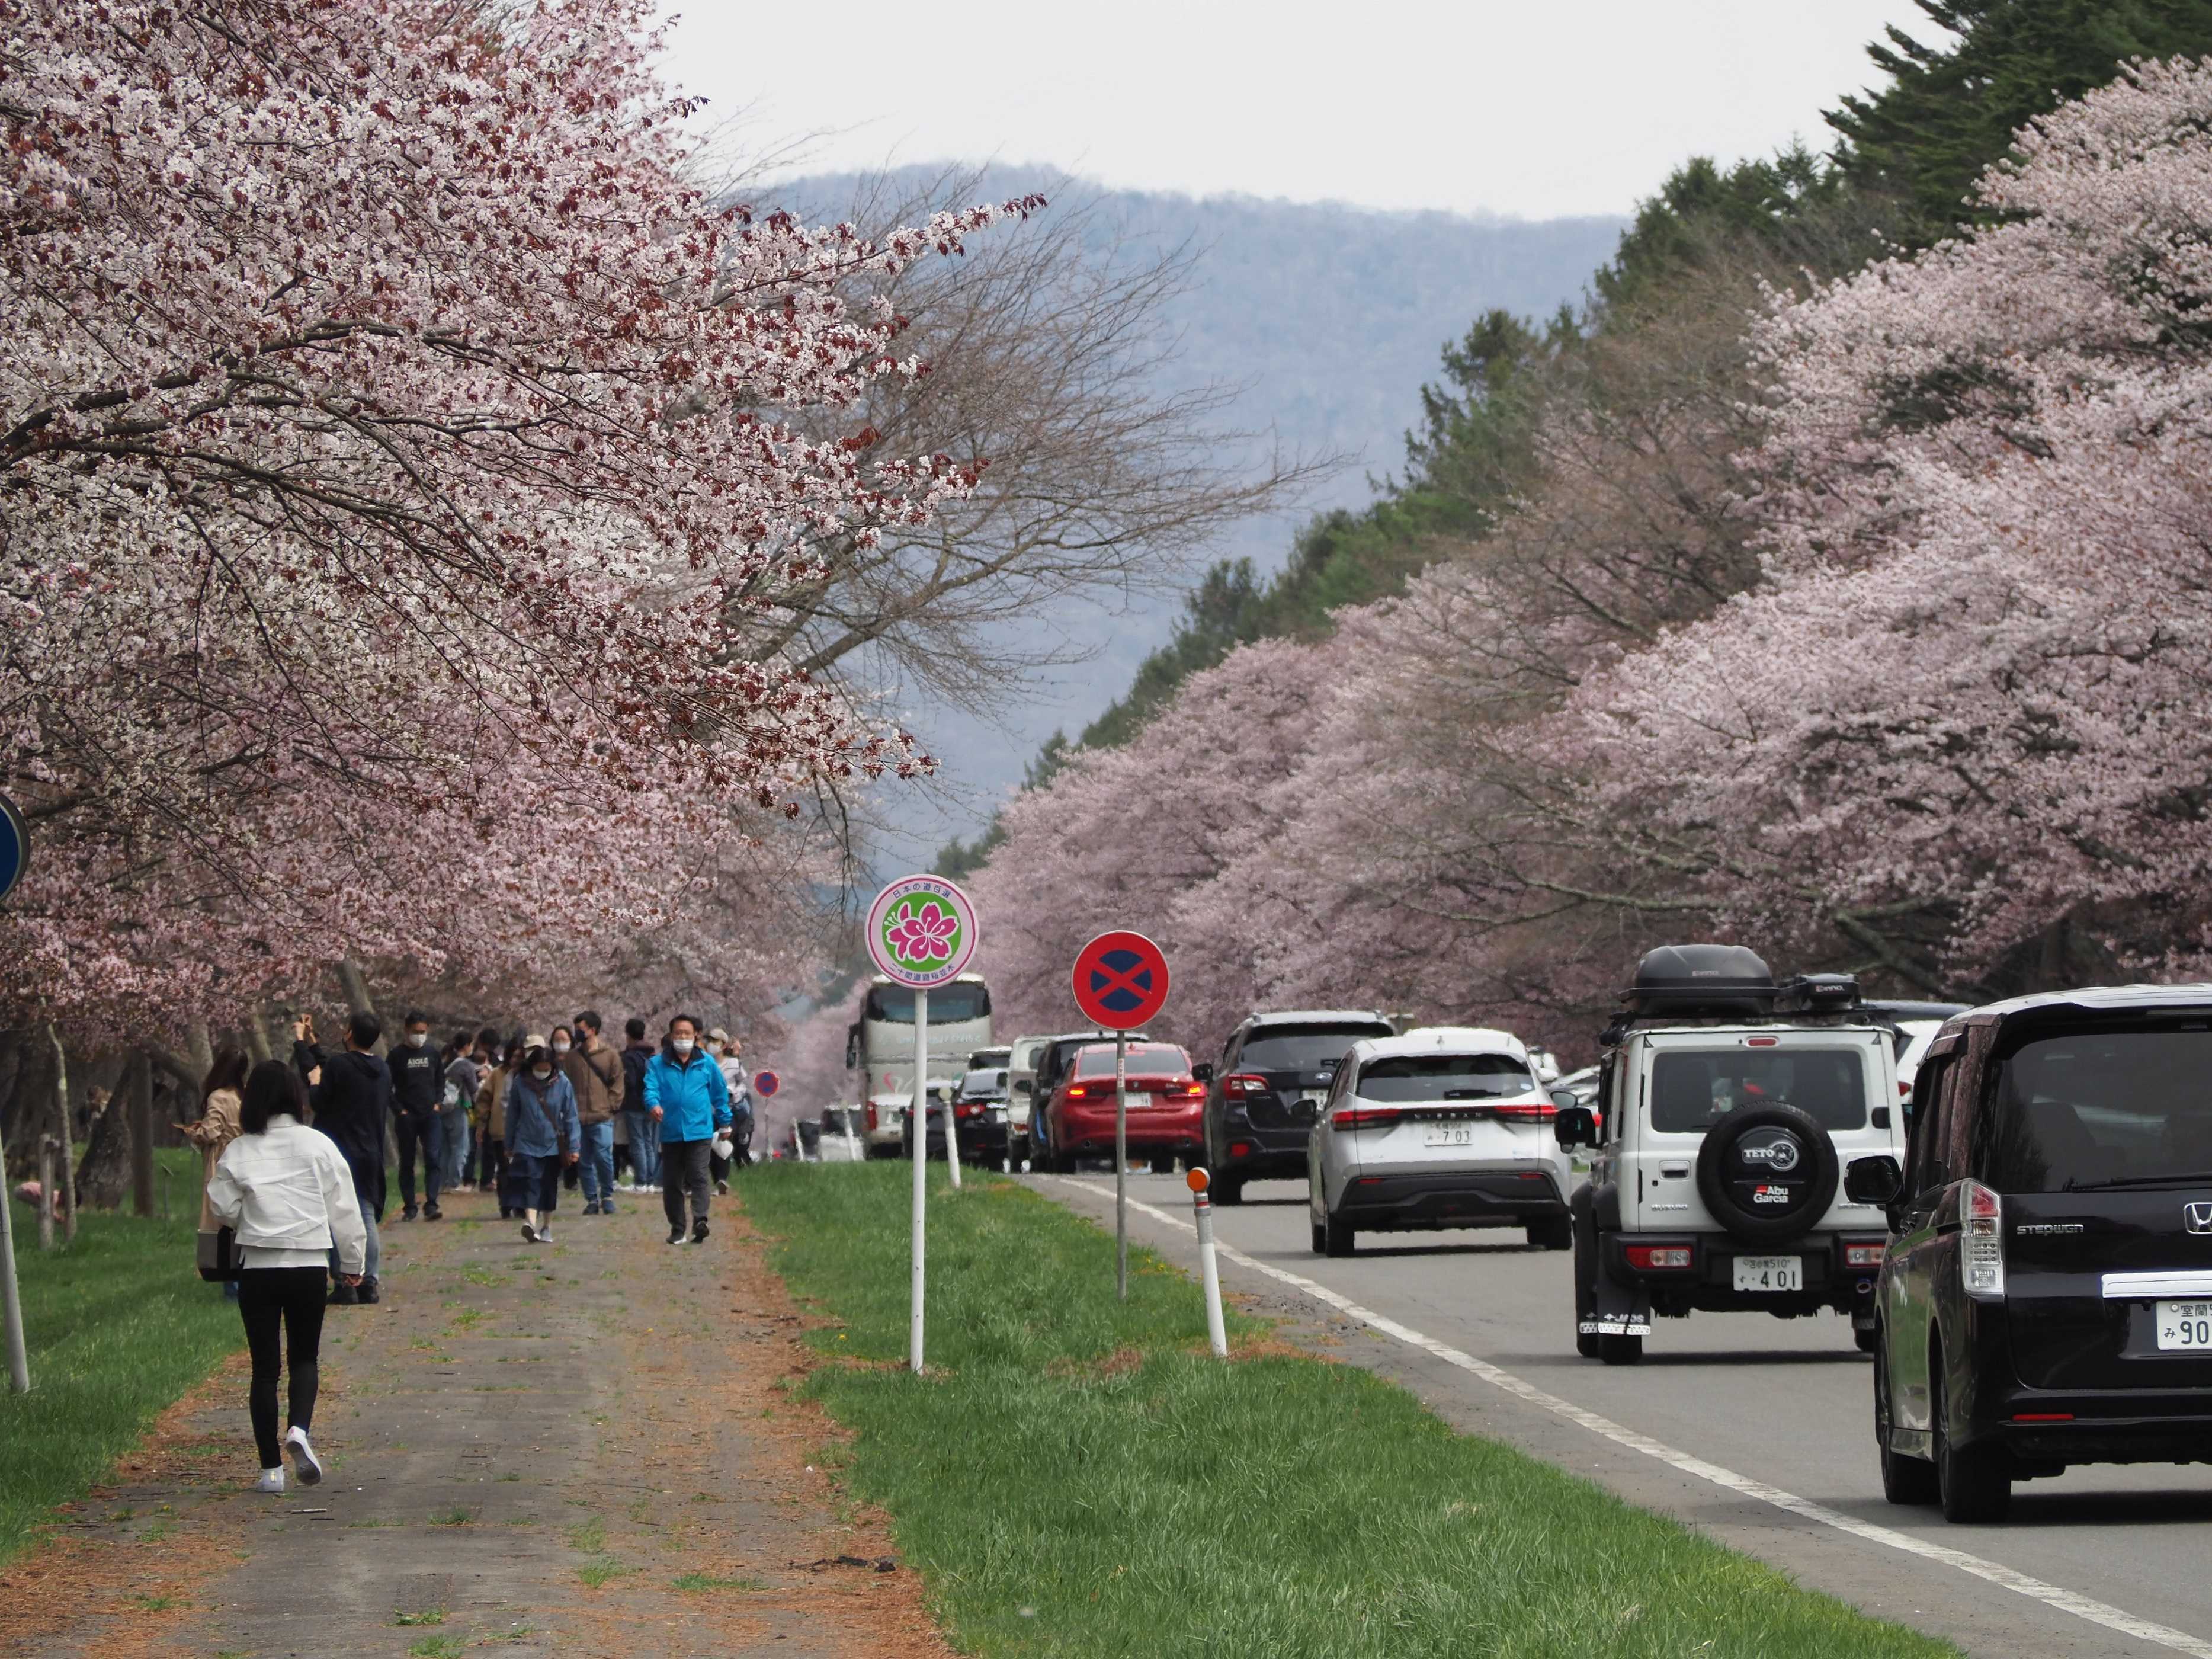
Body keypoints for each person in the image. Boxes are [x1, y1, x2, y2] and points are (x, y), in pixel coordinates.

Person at [206, 1059, 367, 1494]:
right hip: (310, 1264)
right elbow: (346, 1210)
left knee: (264, 1370)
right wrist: (352, 1264)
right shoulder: (319, 1145)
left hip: (259, 1267)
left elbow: (220, 1205)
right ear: (296, 1097)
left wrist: (248, 1220)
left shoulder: (240, 1149)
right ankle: (299, 1429)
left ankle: (270, 1472)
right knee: (304, 1358)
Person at [293, 1010, 389, 1304]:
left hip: (339, 1152)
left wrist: (302, 1050)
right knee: (366, 1216)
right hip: (370, 1151)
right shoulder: (383, 1070)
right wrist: (311, 1047)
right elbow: (334, 1069)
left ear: (349, 1034)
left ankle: (345, 1282)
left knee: (338, 1217)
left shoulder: (340, 1066)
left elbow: (321, 1098)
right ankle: (368, 1282)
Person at [644, 1014, 730, 1246]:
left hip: (699, 1130)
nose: (682, 1037)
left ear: (696, 1036)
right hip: (671, 1131)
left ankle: (700, 1221)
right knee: (672, 1182)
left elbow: (720, 1094)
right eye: (678, 1033)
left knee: (699, 1176)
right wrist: (653, 1105)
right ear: (671, 1036)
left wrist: (725, 1122)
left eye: (686, 1033)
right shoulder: (657, 1064)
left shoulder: (707, 1063)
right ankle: (678, 1229)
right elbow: (650, 1089)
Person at [181, 1045, 251, 1303]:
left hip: (222, 1160)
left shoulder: (218, 1096)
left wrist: (192, 1132)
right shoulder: (243, 1095)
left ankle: (230, 1284)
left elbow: (211, 1132)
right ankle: (244, 1277)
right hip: (245, 1157)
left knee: (220, 1220)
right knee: (240, 1221)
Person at [504, 1033, 579, 1244]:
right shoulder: (521, 1083)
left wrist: (574, 1146)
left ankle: (547, 1226)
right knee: (530, 1181)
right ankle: (530, 1223)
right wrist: (509, 1144)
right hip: (526, 1142)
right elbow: (512, 1115)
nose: (542, 1072)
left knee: (548, 1185)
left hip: (553, 1144)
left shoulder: (563, 1083)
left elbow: (571, 1116)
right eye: (539, 1068)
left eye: (547, 1069)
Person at [563, 1010, 624, 1215]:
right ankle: (591, 1199)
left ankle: (607, 1195)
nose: (577, 1033)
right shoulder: (571, 1058)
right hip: (578, 1116)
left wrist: (611, 1106)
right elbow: (566, 1084)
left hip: (602, 1116)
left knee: (604, 1156)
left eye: (580, 1029)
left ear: (593, 1030)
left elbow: (618, 1082)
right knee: (584, 1160)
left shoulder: (610, 1055)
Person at [385, 1010, 445, 1221]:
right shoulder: (396, 1055)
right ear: (406, 1031)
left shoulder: (432, 1053)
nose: (419, 1035)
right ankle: (410, 1206)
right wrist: (399, 1111)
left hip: (431, 1114)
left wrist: (438, 1103)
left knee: (433, 1157)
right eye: (415, 1031)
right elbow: (387, 1086)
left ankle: (432, 1203)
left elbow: (440, 1080)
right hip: (407, 1116)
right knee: (408, 1161)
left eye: (423, 1031)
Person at [475, 1033, 519, 1218]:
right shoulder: (498, 1074)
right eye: (514, 1055)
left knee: (522, 1168)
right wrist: (481, 1124)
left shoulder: (527, 1074)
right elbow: (483, 1100)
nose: (516, 1059)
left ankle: (522, 1203)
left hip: (524, 1130)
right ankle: (506, 1203)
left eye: (520, 1056)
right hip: (500, 1128)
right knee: (504, 1168)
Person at [620, 1017, 658, 1192]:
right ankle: (650, 1180)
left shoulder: (629, 1057)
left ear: (628, 1035)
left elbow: (630, 1081)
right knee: (649, 1142)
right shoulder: (651, 1055)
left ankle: (641, 1181)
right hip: (650, 1103)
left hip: (634, 1104)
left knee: (638, 1143)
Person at [440, 1031, 480, 1194]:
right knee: (461, 1146)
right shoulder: (466, 1065)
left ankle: (443, 1182)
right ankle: (455, 1182)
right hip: (458, 1108)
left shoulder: (446, 1062)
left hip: (443, 1108)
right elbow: (473, 1089)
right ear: (467, 1046)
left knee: (445, 1148)